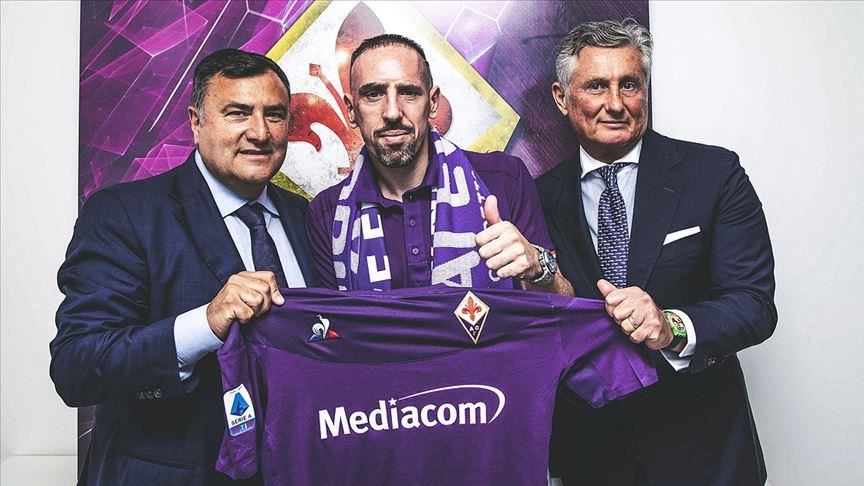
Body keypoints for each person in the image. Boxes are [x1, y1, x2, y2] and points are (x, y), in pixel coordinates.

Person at [50, 48, 318, 484]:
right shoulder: (125, 213)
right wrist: (205, 324)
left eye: (274, 115)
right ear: (196, 123)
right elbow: (76, 368)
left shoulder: (308, 217)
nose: (260, 132)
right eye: (237, 113)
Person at [536, 19, 777, 485]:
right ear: (562, 98)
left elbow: (753, 304)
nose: (616, 103)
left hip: (705, 453)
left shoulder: (714, 174)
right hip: (593, 456)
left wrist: (670, 326)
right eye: (596, 86)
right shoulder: (538, 197)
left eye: (629, 84)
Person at [307, 34, 571, 294]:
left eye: (408, 93)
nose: (392, 112)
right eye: (374, 94)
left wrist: (537, 268)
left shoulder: (503, 179)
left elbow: (562, 304)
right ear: (351, 110)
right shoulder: (327, 213)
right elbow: (333, 320)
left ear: (433, 102)